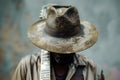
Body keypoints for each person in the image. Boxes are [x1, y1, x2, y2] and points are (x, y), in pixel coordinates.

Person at [12, 4, 104, 80]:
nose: (60, 52)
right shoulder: (27, 67)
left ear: (77, 42)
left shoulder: (93, 71)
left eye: (66, 45)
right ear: (47, 40)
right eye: (55, 44)